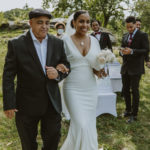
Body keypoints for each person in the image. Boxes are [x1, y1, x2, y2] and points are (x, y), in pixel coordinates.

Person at [2, 8, 70, 150]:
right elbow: (8, 76)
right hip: (26, 105)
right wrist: (9, 103)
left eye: (47, 23)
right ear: (30, 23)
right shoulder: (16, 44)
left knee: (52, 141)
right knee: (28, 144)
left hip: (52, 103)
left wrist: (58, 74)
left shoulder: (57, 43)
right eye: (40, 22)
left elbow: (66, 65)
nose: (44, 26)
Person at [48, 10, 104, 150]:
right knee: (80, 124)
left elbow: (96, 65)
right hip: (72, 88)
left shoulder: (95, 41)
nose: (85, 25)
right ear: (74, 23)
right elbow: (57, 62)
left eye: (87, 22)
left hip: (90, 87)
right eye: (81, 21)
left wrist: (100, 69)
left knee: (89, 123)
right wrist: (59, 67)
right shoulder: (65, 41)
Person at [120, 16, 149, 123]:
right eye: (127, 27)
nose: (129, 29)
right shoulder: (125, 35)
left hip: (136, 67)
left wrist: (132, 51)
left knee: (135, 91)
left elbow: (146, 50)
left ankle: (134, 114)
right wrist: (121, 52)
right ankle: (127, 110)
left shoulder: (143, 35)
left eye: (131, 27)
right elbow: (122, 47)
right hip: (125, 68)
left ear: (135, 24)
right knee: (126, 90)